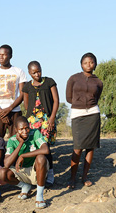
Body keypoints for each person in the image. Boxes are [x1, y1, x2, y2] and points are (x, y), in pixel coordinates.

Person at [65, 53, 103, 188]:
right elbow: (68, 97)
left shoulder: (98, 82)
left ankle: (85, 176)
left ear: (95, 64)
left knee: (90, 147)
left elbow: (96, 97)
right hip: (77, 114)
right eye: (86, 62)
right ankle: (72, 178)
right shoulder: (73, 78)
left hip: (93, 114)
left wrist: (89, 105)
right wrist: (79, 103)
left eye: (91, 62)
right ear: (81, 64)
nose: (89, 65)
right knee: (77, 147)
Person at [0, 116, 49, 209]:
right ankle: (25, 186)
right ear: (16, 130)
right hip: (21, 171)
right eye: (21, 129)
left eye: (27, 128)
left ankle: (39, 195)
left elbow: (45, 150)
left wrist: (23, 155)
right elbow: (6, 164)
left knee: (41, 158)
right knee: (2, 173)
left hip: (36, 169)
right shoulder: (12, 140)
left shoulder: (35, 133)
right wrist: (21, 143)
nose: (25, 131)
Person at [22, 61, 59, 186]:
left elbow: (56, 100)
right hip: (32, 122)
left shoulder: (49, 82)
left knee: (45, 147)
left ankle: (50, 174)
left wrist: (52, 118)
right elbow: (26, 104)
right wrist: (31, 118)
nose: (37, 74)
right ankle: (37, 174)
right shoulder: (27, 86)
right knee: (35, 147)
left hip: (46, 120)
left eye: (39, 71)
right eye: (34, 72)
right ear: (29, 73)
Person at [0, 44, 27, 138]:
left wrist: (9, 109)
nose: (1, 57)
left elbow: (22, 94)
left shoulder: (19, 71)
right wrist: (1, 112)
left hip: (14, 111)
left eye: (4, 54)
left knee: (16, 140)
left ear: (10, 56)